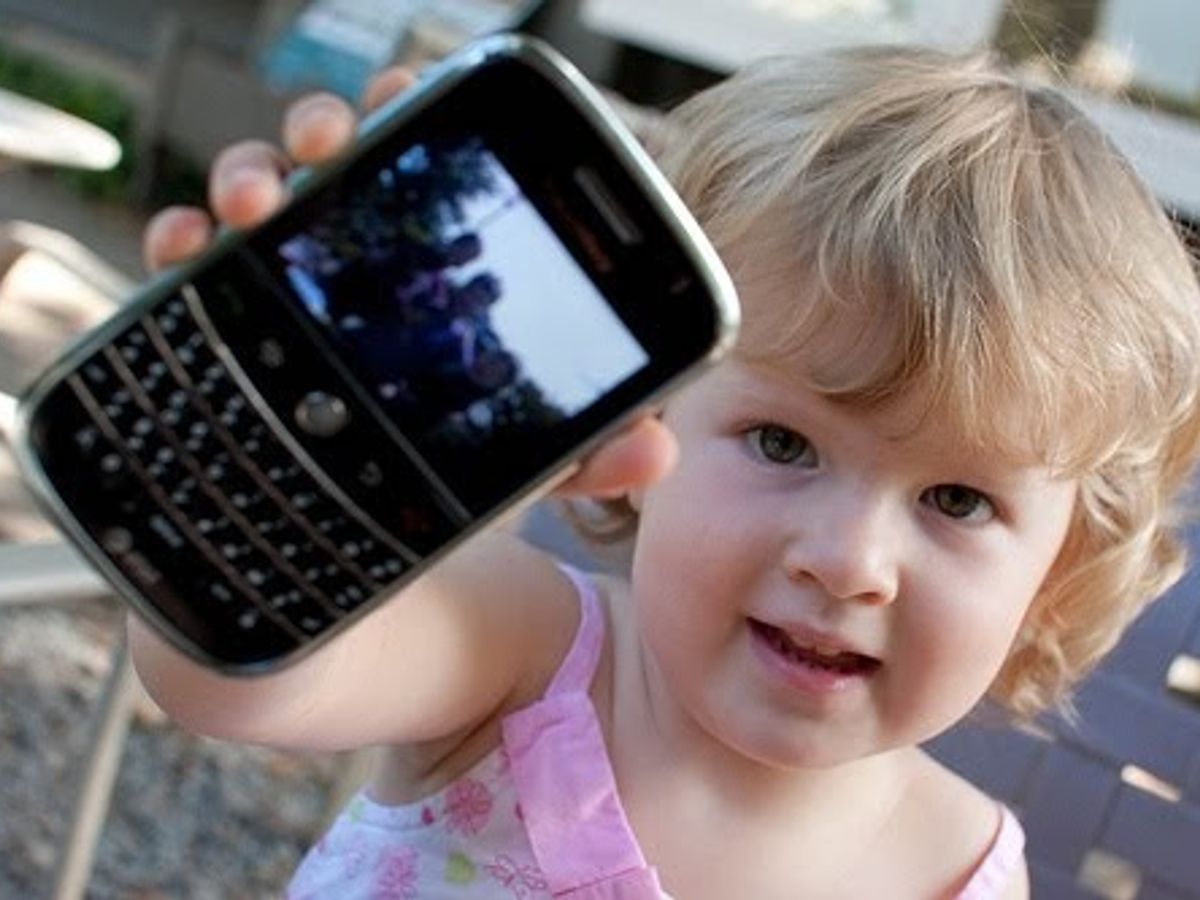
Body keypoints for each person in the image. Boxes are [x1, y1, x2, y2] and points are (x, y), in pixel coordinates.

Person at [131, 46, 1200, 898]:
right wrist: (261, 439)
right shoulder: (527, 655)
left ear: (1058, 571)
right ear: (640, 428)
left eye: (959, 499)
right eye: (784, 444)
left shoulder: (965, 870)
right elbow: (232, 683)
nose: (847, 562)